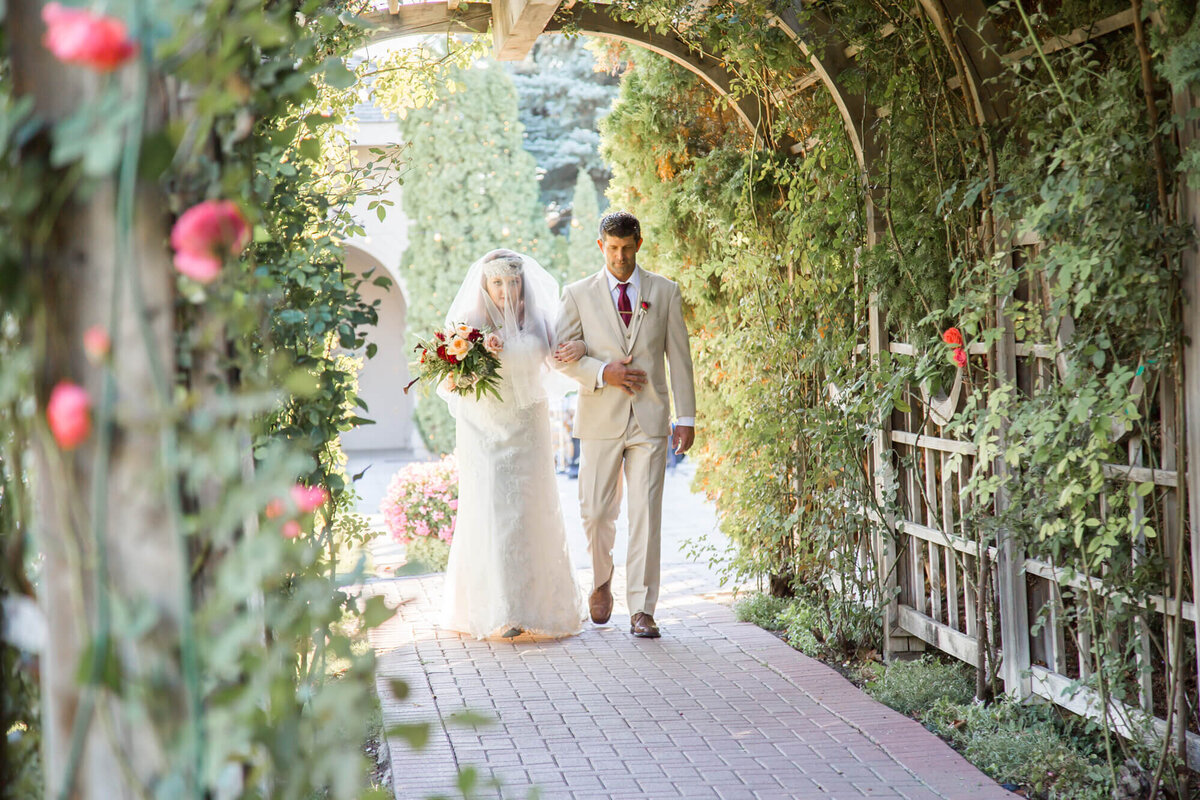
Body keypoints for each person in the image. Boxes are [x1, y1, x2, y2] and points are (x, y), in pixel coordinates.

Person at [552, 211, 696, 639]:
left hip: (650, 419)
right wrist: (602, 372)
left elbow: (679, 357)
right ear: (601, 246)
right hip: (599, 416)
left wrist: (685, 418)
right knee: (596, 512)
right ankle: (601, 580)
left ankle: (642, 609)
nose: (620, 256)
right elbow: (561, 356)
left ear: (639, 243)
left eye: (627, 248)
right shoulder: (577, 294)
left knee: (646, 513)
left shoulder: (664, 292)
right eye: (612, 248)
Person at [438, 249, 586, 639]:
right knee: (494, 512)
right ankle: (500, 609)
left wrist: (581, 350)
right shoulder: (469, 323)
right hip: (484, 430)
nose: (506, 290)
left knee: (529, 510)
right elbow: (450, 382)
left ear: (523, 284)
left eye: (513, 282)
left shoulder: (538, 319)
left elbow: (560, 359)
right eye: (498, 282)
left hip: (529, 428)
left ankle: (533, 606)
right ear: (486, 284)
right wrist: (477, 359)